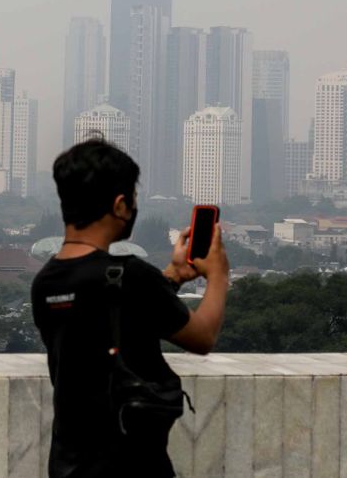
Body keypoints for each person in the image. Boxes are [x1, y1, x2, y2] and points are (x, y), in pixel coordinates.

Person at [32, 138, 229, 478]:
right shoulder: (131, 275)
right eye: (133, 199)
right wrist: (218, 275)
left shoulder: (47, 281)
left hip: (70, 464)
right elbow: (203, 336)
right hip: (131, 464)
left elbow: (111, 311)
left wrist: (173, 276)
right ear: (120, 205)